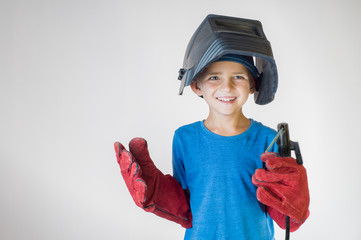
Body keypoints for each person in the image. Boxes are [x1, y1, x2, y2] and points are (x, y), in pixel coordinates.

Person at [114, 14, 309, 239]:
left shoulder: (269, 140)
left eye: (238, 76)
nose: (227, 86)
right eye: (214, 77)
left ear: (252, 84)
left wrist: (295, 208)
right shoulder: (184, 138)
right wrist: (158, 192)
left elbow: (282, 213)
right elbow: (186, 203)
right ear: (196, 86)